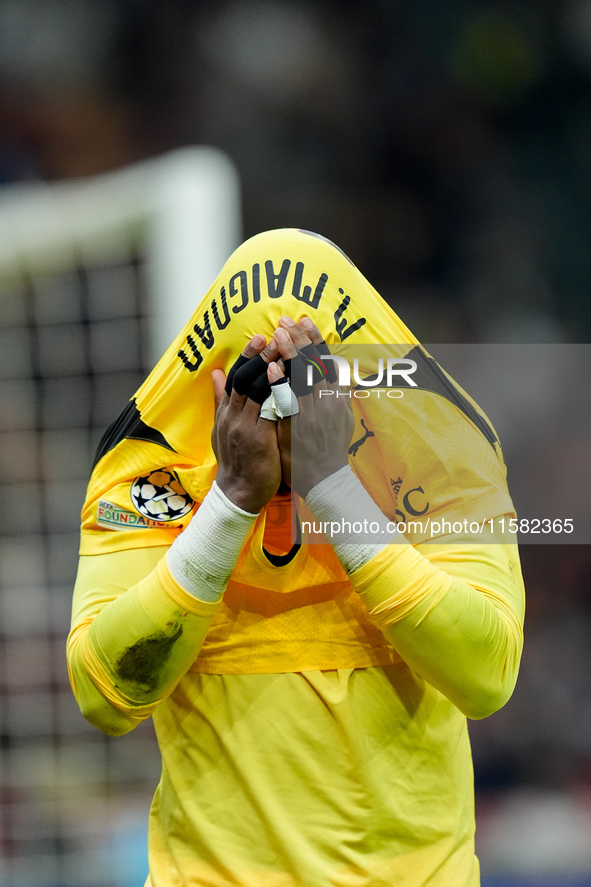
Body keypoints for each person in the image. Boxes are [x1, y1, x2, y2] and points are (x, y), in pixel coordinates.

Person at [67, 228, 525, 887]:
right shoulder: (153, 470)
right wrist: (228, 504)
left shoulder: (439, 451)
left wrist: (332, 484)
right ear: (219, 380)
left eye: (308, 376)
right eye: (262, 379)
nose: (284, 406)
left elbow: (486, 674)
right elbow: (103, 695)